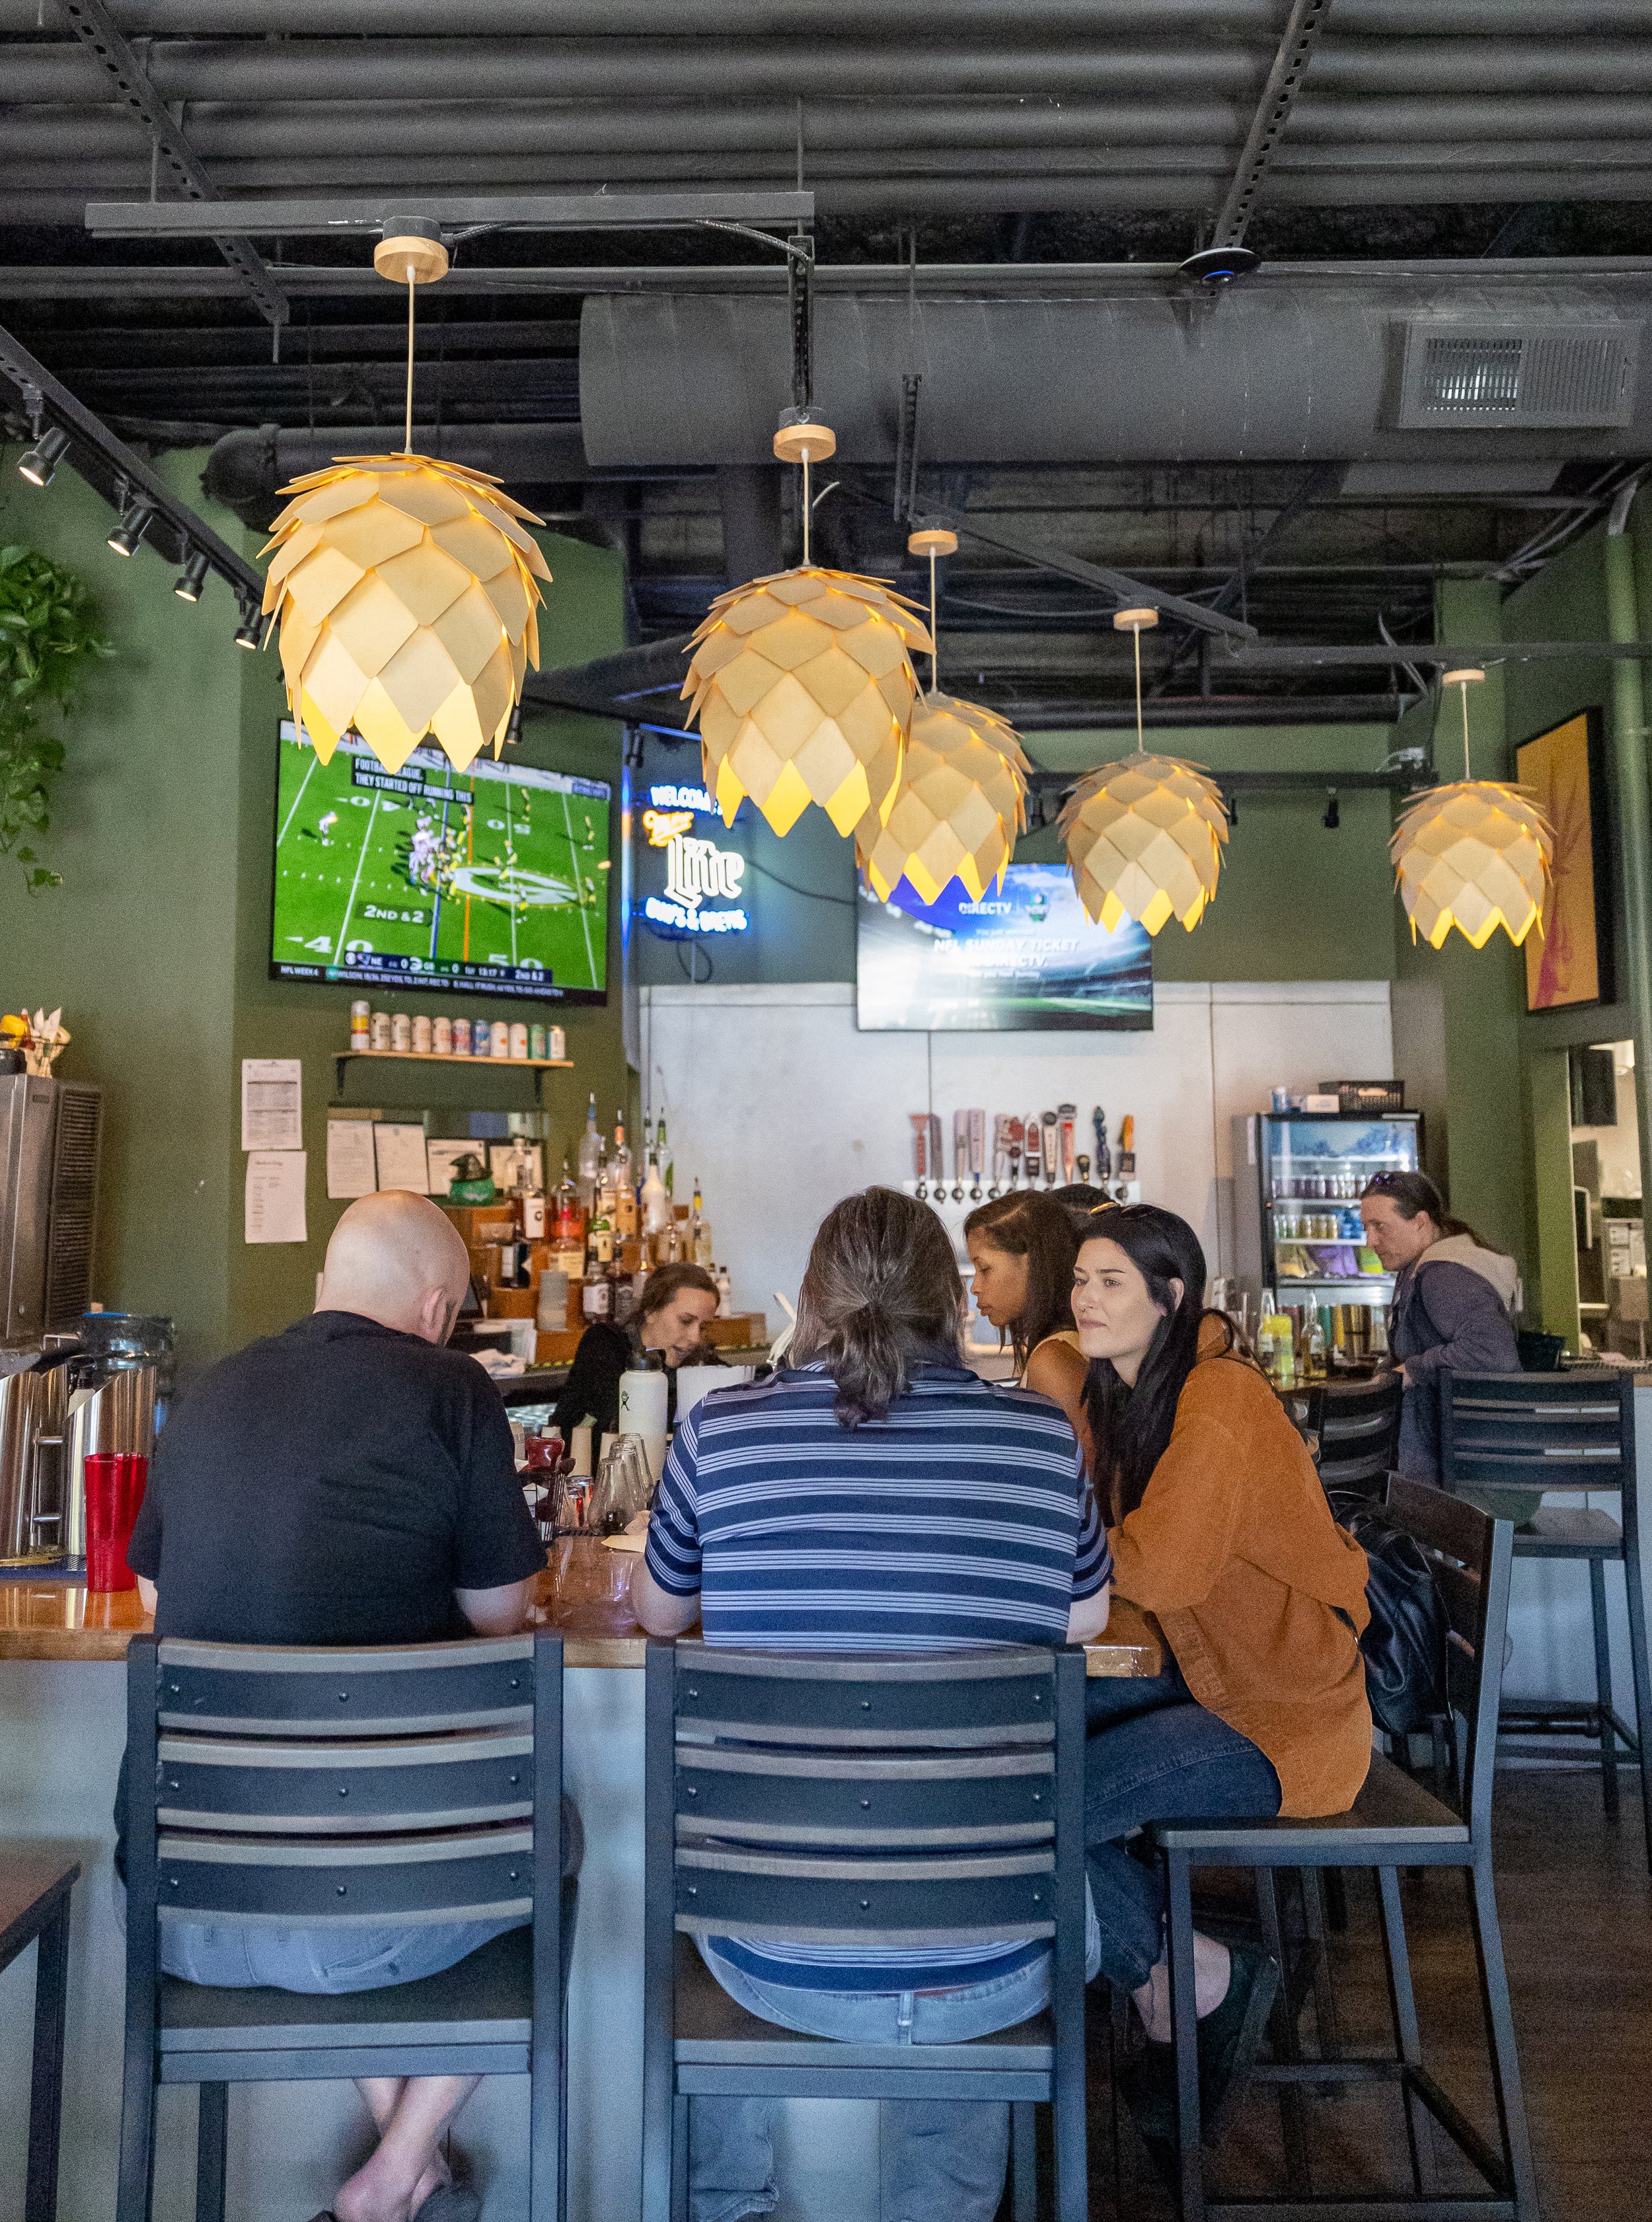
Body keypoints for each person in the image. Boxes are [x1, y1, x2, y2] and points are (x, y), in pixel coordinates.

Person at [632, 1186, 1111, 2222]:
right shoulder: (1039, 1436)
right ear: (954, 1301)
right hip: (996, 1952)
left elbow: (658, 1611)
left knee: (692, 1874)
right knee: (972, 1891)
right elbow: (1088, 1619)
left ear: (809, 1299)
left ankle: (731, 2205)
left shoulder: (723, 1430)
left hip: (770, 1953)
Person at [124, 1192, 566, 2222]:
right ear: (436, 1304)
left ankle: (407, 2167)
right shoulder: (452, 1387)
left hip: (193, 1908)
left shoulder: (210, 1392)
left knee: (346, 1848)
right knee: (552, 1826)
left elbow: (153, 1595)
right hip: (384, 1915)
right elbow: (501, 1616)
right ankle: (396, 2168)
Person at [1071, 1204, 1372, 2145]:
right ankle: (1181, 1974)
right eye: (1079, 1278)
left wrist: (1049, 1546)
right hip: (1205, 1679)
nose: (1084, 1297)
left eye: (1110, 1280)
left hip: (1281, 1717)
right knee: (1007, 1743)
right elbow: (1138, 1560)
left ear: (1169, 1294)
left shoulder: (1220, 1393)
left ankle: (1191, 1971)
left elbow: (1160, 1568)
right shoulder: (1137, 1393)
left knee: (1026, 1801)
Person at [1359, 1169, 1521, 1481]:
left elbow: (1492, 1353)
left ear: (1420, 1222)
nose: (1370, 1242)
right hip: (1468, 1464)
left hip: (1474, 1478)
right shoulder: (1421, 1267)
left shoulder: (1444, 1274)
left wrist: (1413, 1370)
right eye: (1367, 1227)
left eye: (1379, 1226)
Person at [963, 1189, 1090, 1445]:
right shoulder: (1052, 1349)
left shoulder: (1053, 1361)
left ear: (1034, 1264)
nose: (975, 1286)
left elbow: (1089, 1478)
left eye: (985, 1268)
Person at [548, 1260, 720, 1442]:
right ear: (651, 1312)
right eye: (685, 1321)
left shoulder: (701, 1361)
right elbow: (622, 1410)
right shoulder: (605, 1342)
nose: (695, 1338)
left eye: (703, 1327)